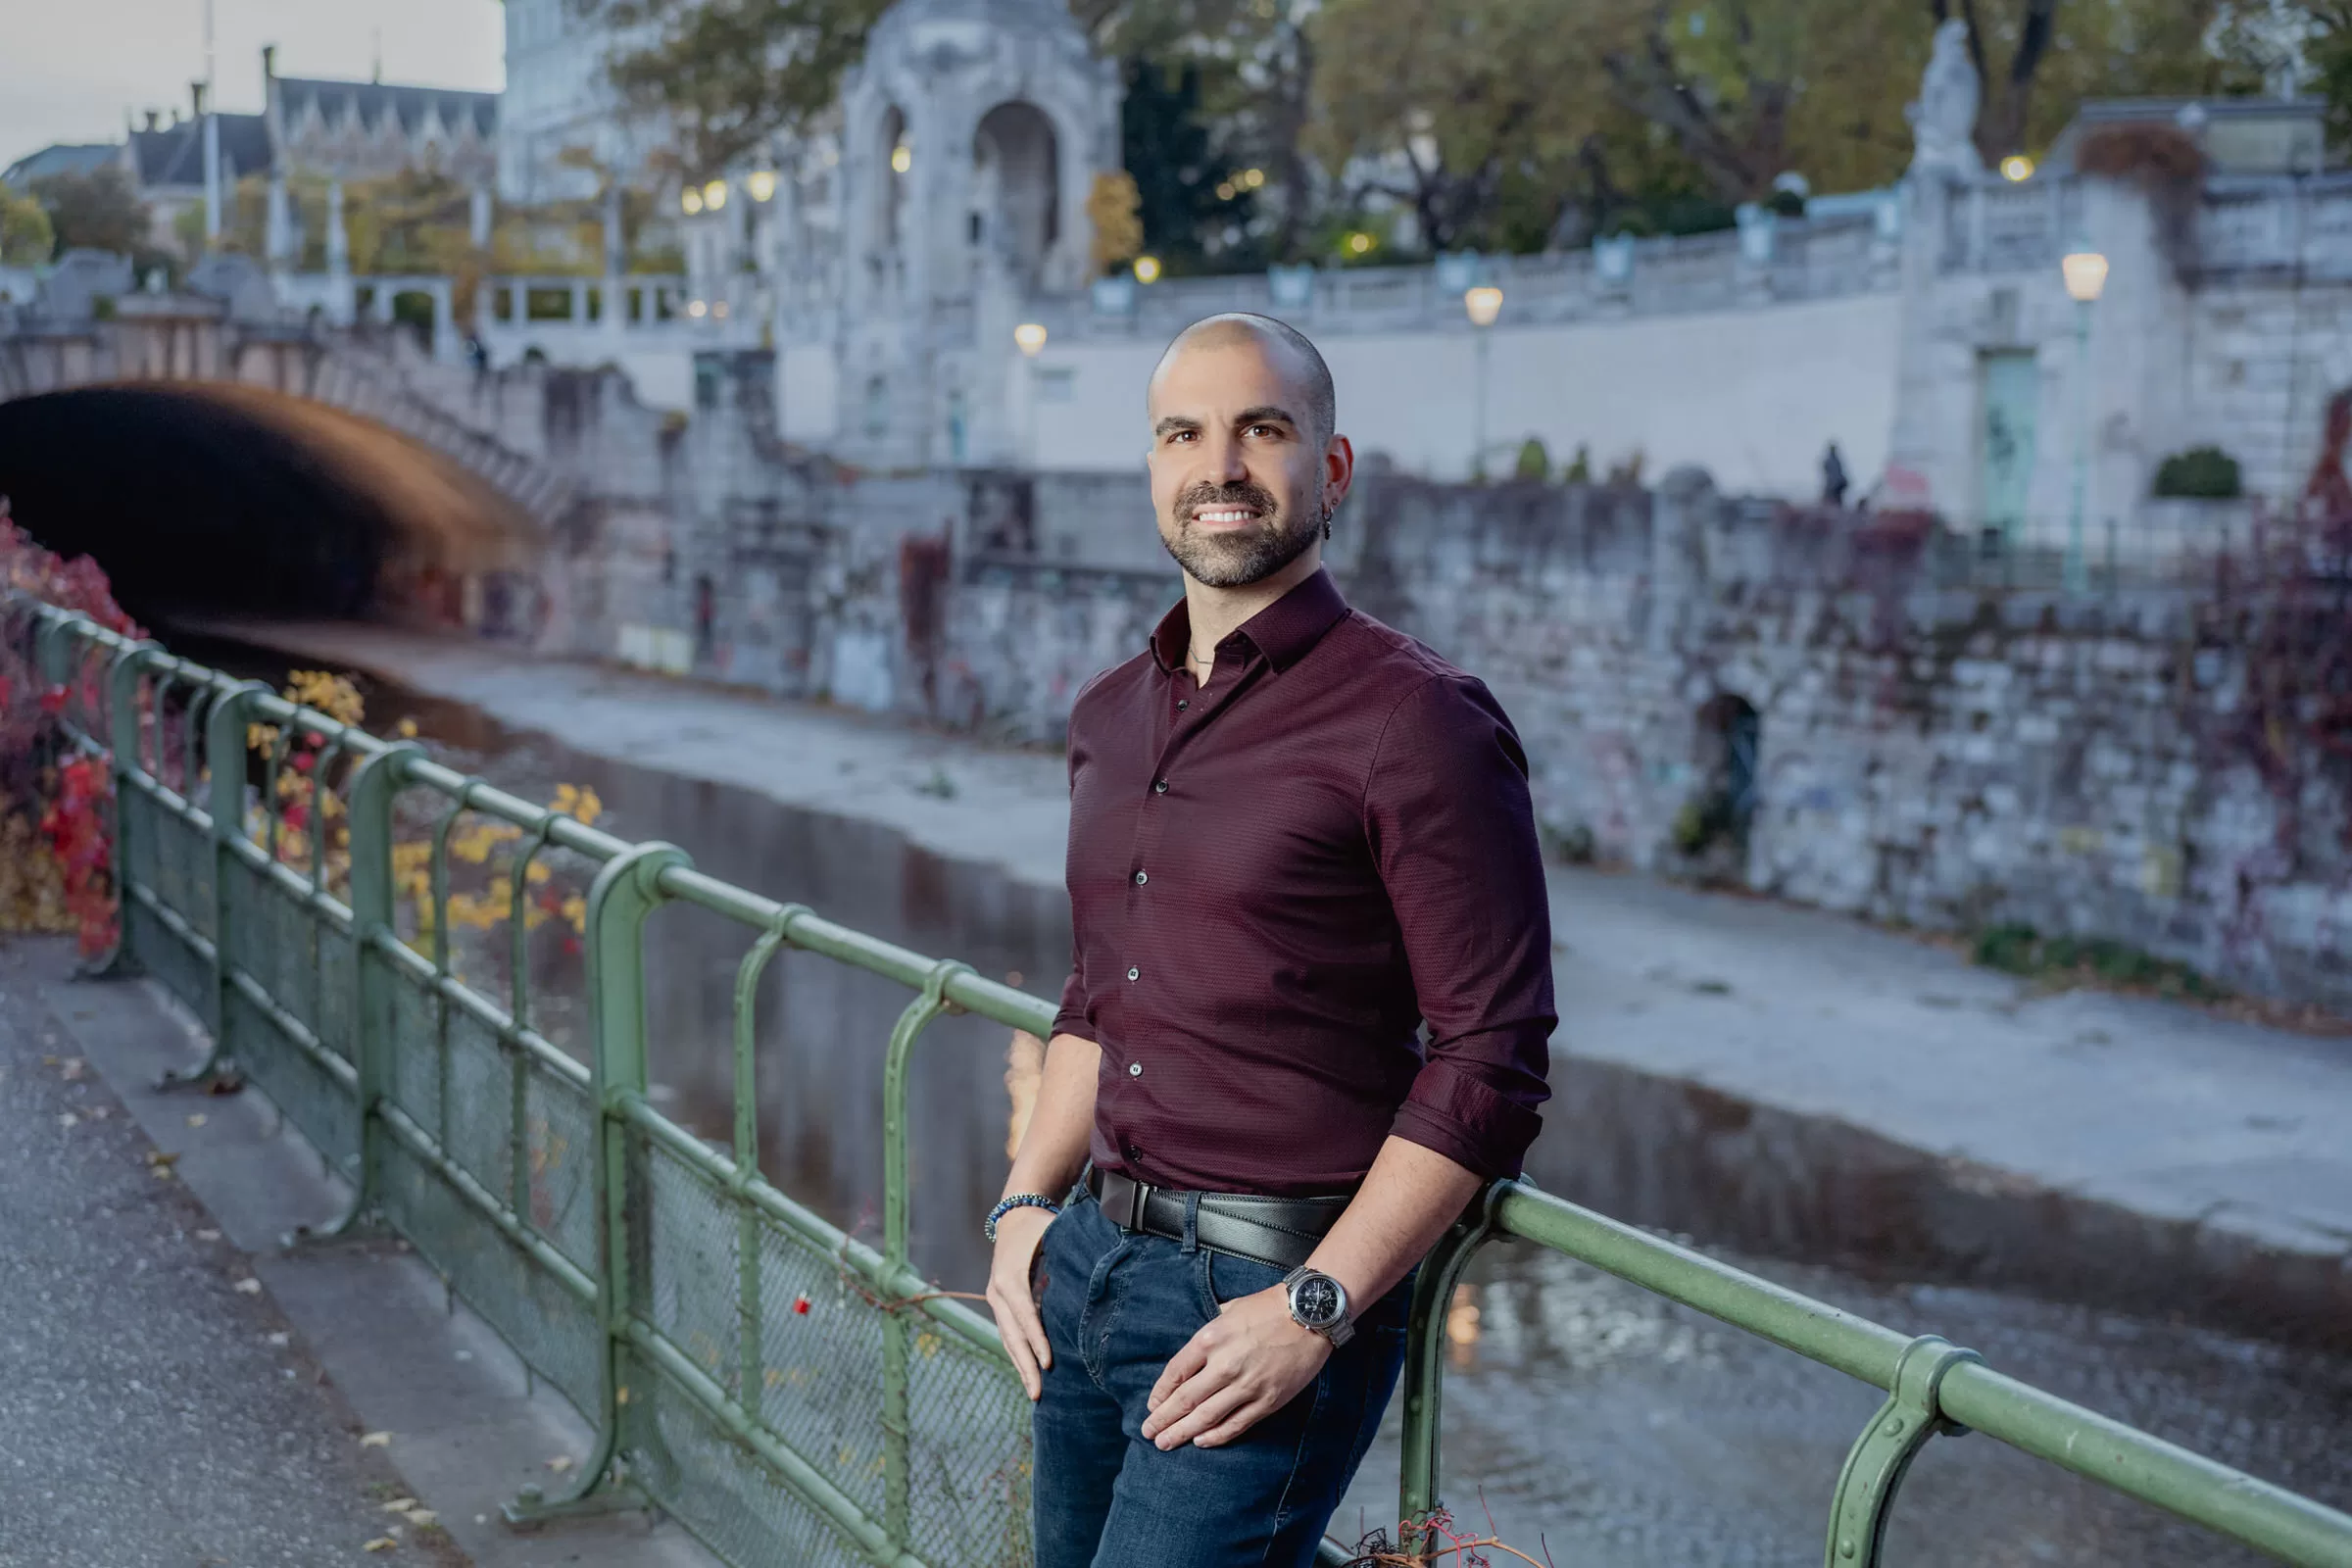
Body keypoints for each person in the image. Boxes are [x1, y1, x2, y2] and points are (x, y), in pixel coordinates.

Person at [983, 314, 1556, 1568]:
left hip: (1266, 1294)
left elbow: (1492, 1058)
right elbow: (1097, 994)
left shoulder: (1419, 720)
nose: (1221, 467)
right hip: (1087, 1267)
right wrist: (1025, 1206)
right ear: (1152, 467)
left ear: (1331, 468)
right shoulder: (1109, 715)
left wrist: (1315, 1307)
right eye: (1183, 434)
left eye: (1262, 429)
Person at [1822, 441, 1850, 508]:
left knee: (1835, 500)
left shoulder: (1833, 460)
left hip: (1835, 484)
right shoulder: (1833, 460)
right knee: (1832, 500)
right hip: (1834, 484)